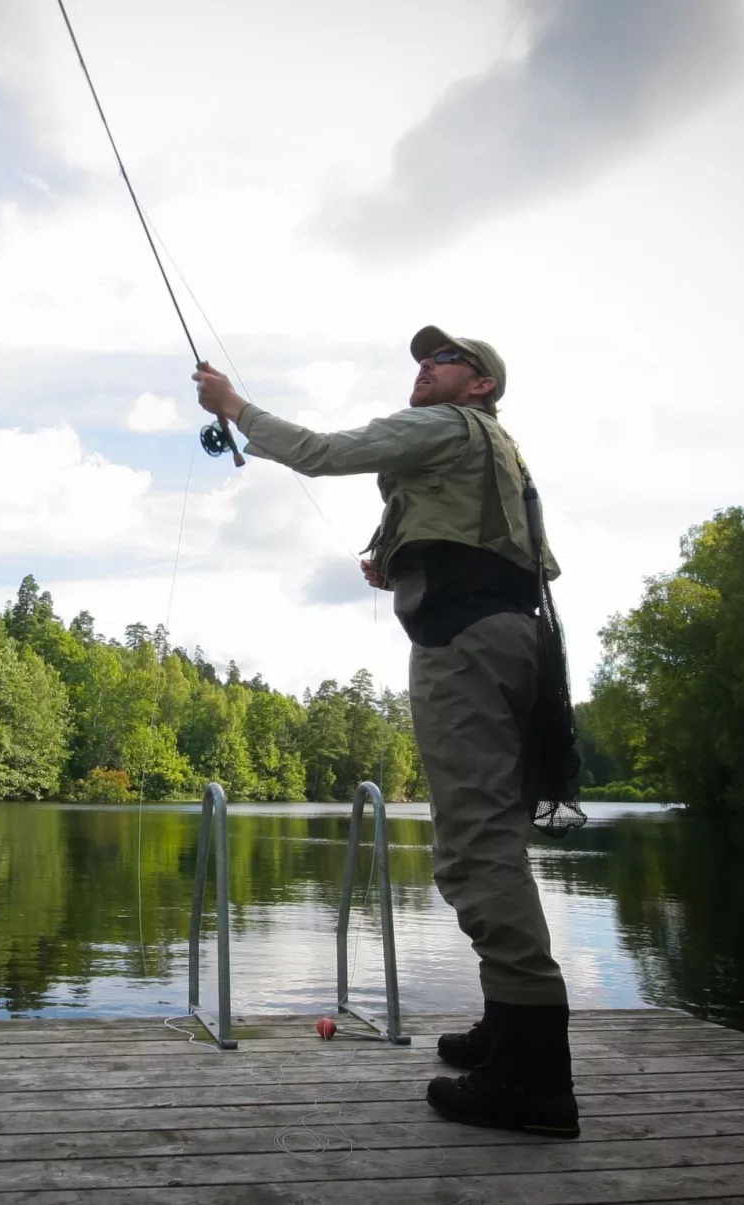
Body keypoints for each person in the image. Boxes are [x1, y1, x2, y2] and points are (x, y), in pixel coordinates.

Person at [193, 326, 579, 1139]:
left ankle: (535, 1077)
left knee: (474, 849)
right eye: (421, 358)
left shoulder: (445, 426)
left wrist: (237, 408)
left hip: (466, 646)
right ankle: (508, 1027)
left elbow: (328, 450)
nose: (424, 368)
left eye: (443, 359)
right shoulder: (500, 452)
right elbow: (493, 550)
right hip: (518, 640)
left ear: (479, 384)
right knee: (496, 835)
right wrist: (397, 561)